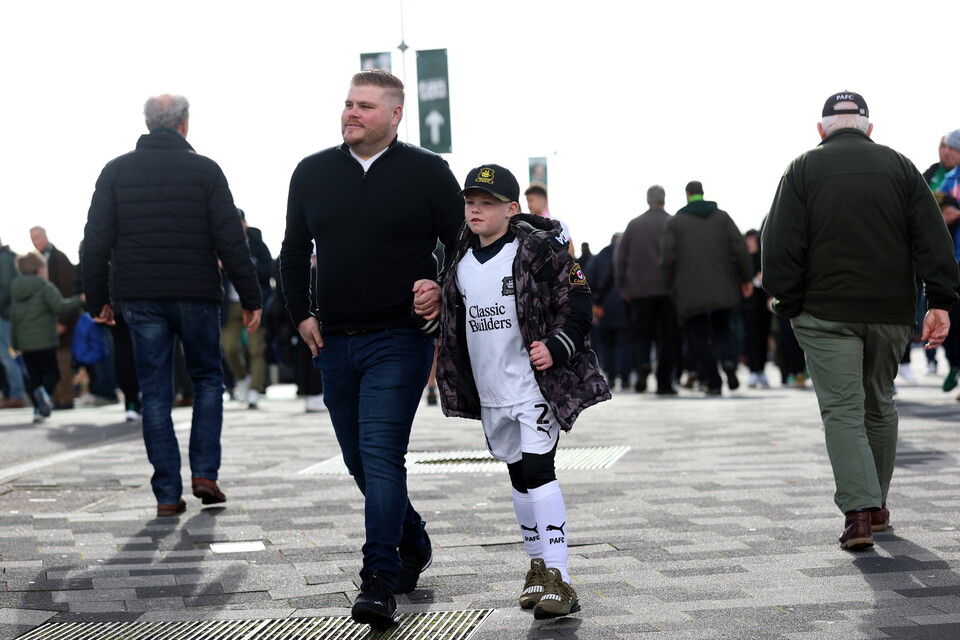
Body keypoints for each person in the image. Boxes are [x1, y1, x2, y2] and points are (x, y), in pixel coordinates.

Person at [278, 69, 463, 630]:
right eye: (348, 104)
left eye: (363, 106)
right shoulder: (311, 173)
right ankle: (411, 536)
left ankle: (379, 579)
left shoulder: (429, 172)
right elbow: (290, 252)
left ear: (394, 115)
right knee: (359, 461)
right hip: (333, 343)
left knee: (381, 456)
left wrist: (440, 286)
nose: (351, 113)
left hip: (399, 341)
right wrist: (302, 313)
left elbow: (464, 245)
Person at [762, 91, 959, 550]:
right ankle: (877, 506)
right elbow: (932, 237)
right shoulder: (901, 167)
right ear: (869, 128)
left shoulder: (801, 169)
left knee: (843, 411)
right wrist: (940, 301)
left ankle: (859, 516)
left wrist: (788, 303)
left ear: (820, 129)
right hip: (891, 313)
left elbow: (780, 245)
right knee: (880, 403)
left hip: (825, 312)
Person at [434, 164, 610, 620]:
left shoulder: (537, 252)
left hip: (532, 387)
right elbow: (450, 317)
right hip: (491, 392)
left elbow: (577, 305)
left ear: (511, 210)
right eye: (470, 202)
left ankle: (561, 577)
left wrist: (556, 347)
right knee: (517, 476)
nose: (475, 210)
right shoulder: (459, 259)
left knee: (538, 470)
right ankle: (537, 568)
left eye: (487, 203)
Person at [82, 94, 262, 518]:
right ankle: (205, 473)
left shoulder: (116, 171)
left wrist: (98, 299)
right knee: (206, 381)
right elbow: (231, 239)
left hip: (140, 296)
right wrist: (251, 297)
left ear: (148, 124)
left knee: (156, 391)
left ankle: (166, 493)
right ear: (185, 124)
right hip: (196, 292)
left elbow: (96, 241)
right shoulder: (206, 171)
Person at [660, 181, 753, 395]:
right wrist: (746, 278)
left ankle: (713, 381)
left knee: (698, 335)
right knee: (724, 328)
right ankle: (729, 361)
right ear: (703, 193)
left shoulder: (675, 223)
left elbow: (667, 259)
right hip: (723, 287)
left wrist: (670, 287)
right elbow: (739, 248)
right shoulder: (722, 217)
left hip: (690, 292)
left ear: (687, 194)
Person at [615, 185, 680, 395]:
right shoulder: (673, 223)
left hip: (640, 290)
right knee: (668, 337)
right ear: (664, 199)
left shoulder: (634, 225)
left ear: (647, 200)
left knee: (642, 333)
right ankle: (664, 382)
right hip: (669, 290)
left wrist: (623, 285)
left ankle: (643, 362)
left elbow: (620, 257)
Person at [10, 251, 83, 422]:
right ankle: (45, 394)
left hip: (26, 343)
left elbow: (14, 318)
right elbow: (60, 307)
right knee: (52, 373)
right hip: (46, 341)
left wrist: (15, 343)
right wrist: (80, 299)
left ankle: (37, 408)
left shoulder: (16, 290)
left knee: (34, 376)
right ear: (41, 269)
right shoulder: (45, 286)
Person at [221, 208, 272, 409]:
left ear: (245, 223)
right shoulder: (221, 243)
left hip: (254, 302)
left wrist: (245, 264)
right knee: (229, 348)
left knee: (255, 349)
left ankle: (254, 390)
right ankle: (242, 379)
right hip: (230, 303)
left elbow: (268, 270)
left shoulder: (257, 243)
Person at [29, 226, 78, 409]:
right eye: (32, 238)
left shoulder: (58, 258)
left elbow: (67, 291)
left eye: (38, 237)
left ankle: (66, 397)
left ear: (45, 236)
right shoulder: (36, 259)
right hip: (47, 320)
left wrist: (62, 321)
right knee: (52, 360)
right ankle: (57, 397)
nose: (36, 241)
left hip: (62, 317)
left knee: (62, 358)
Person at [588, 233, 632, 389]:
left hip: (603, 307)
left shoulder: (600, 256)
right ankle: (625, 377)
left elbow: (588, 281)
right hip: (625, 305)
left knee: (607, 344)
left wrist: (593, 304)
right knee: (625, 343)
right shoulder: (629, 255)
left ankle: (611, 375)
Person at [740, 229, 771, 388]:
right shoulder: (743, 259)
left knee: (763, 336)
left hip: (763, 304)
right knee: (750, 337)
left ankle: (761, 369)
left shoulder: (763, 258)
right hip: (748, 305)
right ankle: (753, 369)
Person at [0, 235, 26, 408]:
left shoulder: (4, 259)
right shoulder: (8, 258)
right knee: (9, 357)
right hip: (7, 315)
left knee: (10, 357)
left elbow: (4, 288)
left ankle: (17, 395)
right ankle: (15, 393)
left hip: (6, 316)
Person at [524, 183, 575, 257]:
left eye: (531, 200)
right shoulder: (526, 225)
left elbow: (570, 252)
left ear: (543, 200)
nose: (529, 205)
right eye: (527, 201)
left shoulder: (557, 223)